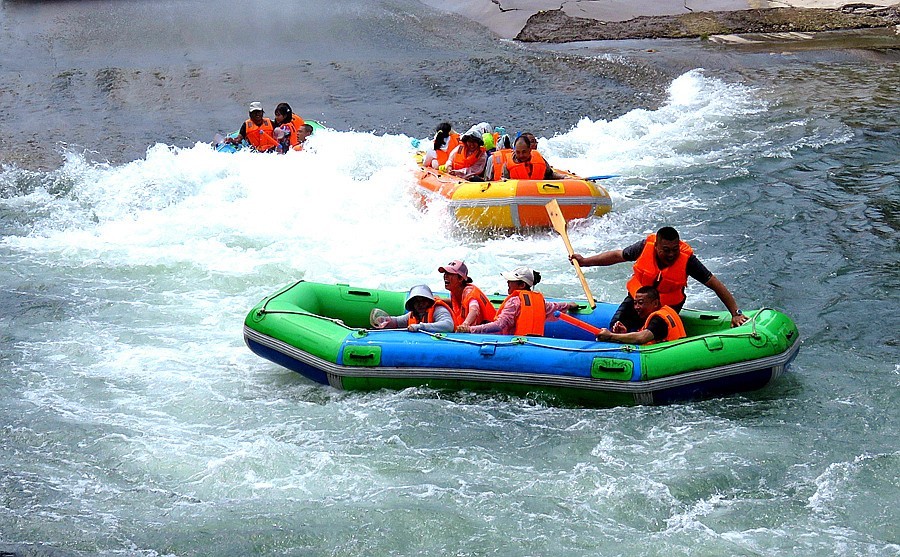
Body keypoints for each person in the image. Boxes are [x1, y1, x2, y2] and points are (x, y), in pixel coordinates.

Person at [570, 226, 750, 332]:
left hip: (666, 305)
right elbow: (617, 255)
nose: (671, 254)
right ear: (656, 246)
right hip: (639, 299)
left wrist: (735, 313)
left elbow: (714, 283)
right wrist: (585, 262)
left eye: (675, 249)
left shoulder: (688, 260)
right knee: (616, 324)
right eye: (666, 250)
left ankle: (641, 338)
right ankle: (623, 336)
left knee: (652, 331)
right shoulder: (644, 246)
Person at [456, 267, 579, 336]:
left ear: (521, 285)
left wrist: (471, 329)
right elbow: (556, 306)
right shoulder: (540, 302)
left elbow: (499, 325)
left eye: (511, 281)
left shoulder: (514, 302)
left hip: (511, 344)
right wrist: (569, 305)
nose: (508, 283)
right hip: (531, 344)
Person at [594, 286, 686, 345]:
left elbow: (642, 338)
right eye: (635, 303)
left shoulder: (659, 320)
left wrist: (611, 335)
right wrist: (625, 334)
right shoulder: (664, 312)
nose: (637, 307)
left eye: (640, 303)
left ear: (655, 303)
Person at [437, 260, 496, 328]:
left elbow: (474, 309)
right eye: (445, 273)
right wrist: (438, 300)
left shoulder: (469, 292)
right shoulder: (456, 291)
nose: (446, 276)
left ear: (461, 278)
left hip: (492, 333)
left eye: (450, 274)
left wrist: (465, 324)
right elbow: (456, 303)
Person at [374, 285, 454, 333]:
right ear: (412, 304)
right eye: (416, 302)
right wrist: (384, 320)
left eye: (423, 301)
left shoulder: (439, 310)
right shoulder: (414, 314)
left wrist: (420, 326)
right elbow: (397, 322)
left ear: (429, 301)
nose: (420, 304)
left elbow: (448, 325)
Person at [501, 135, 567, 180]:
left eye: (524, 152)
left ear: (530, 149)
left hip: (538, 194)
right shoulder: (508, 164)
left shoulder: (539, 159)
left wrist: (563, 177)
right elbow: (504, 181)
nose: (521, 155)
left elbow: (550, 175)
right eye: (518, 152)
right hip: (517, 195)